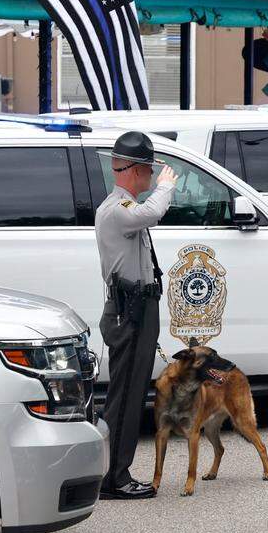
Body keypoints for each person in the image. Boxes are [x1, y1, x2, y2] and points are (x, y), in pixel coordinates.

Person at [95, 131, 179, 500]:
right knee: (126, 396)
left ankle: (114, 471)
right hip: (128, 310)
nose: (151, 178)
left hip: (137, 307)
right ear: (135, 172)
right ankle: (114, 477)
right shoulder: (118, 209)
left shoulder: (124, 208)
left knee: (130, 392)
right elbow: (152, 212)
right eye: (149, 171)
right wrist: (166, 188)